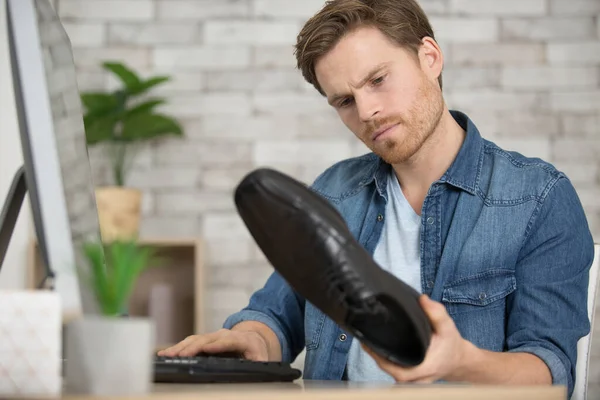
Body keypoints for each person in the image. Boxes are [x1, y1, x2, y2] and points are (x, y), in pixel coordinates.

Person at [159, 0, 594, 397]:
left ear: (430, 57)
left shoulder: (538, 197)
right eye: (345, 100)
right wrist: (253, 338)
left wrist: (462, 362)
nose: (366, 112)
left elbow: (550, 371)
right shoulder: (333, 191)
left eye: (378, 80)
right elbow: (278, 313)